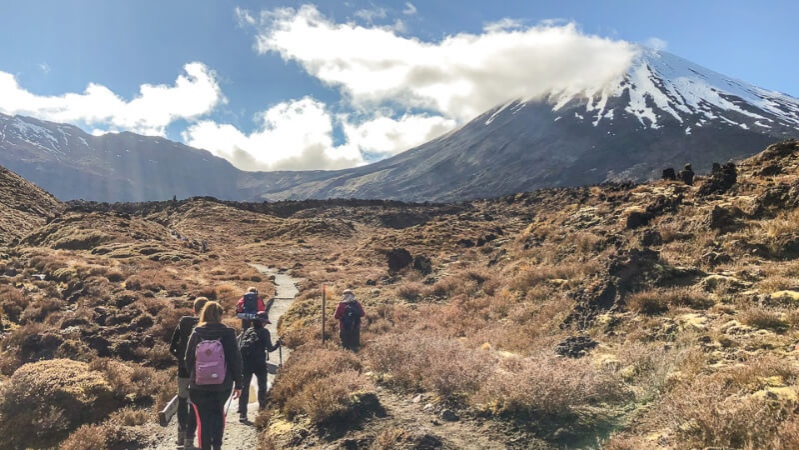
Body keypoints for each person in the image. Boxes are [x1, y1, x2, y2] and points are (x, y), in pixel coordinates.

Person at [185, 302, 243, 450]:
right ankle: (217, 447)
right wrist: (239, 384)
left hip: (198, 386)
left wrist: (193, 376)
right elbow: (235, 360)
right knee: (218, 415)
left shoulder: (197, 333)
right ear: (220, 315)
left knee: (203, 422)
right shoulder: (228, 334)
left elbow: (188, 359)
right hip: (222, 385)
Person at [169, 296, 208, 447]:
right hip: (199, 371)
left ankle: (181, 433)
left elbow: (172, 347)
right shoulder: (207, 326)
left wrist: (180, 359)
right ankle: (190, 437)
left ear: (194, 309)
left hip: (183, 370)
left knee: (182, 399)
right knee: (194, 402)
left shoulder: (184, 322)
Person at [237, 311, 281, 424]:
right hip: (259, 363)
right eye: (265, 322)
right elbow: (270, 349)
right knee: (262, 386)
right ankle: (262, 410)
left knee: (244, 387)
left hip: (246, 363)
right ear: (262, 322)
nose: (266, 324)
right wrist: (278, 344)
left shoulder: (248, 331)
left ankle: (242, 413)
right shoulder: (265, 332)